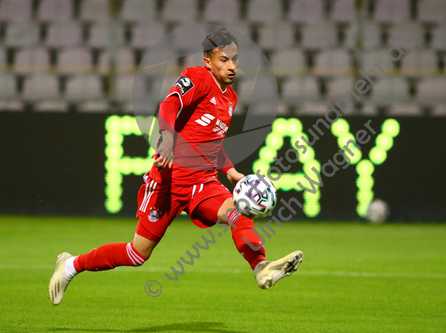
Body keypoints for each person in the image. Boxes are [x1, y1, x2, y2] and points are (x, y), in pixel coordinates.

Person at [48, 27, 303, 306]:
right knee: (137, 254)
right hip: (168, 183)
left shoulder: (230, 98)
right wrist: (167, 137)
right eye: (224, 60)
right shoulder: (196, 77)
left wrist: (229, 169)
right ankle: (71, 265)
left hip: (204, 183)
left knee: (238, 211)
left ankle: (261, 266)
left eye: (235, 59)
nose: (232, 66)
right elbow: (169, 104)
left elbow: (212, 142)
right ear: (208, 61)